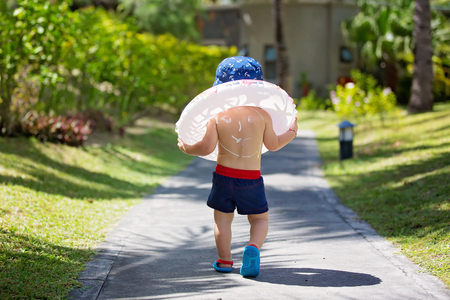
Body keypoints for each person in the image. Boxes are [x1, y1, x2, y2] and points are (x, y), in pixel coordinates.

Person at [177, 56, 298, 277]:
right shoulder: (263, 115)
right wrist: (291, 133)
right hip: (251, 179)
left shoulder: (217, 116)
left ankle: (224, 261)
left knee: (222, 220)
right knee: (259, 219)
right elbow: (273, 144)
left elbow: (205, 148)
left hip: (223, 177)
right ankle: (252, 247)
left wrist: (187, 148)